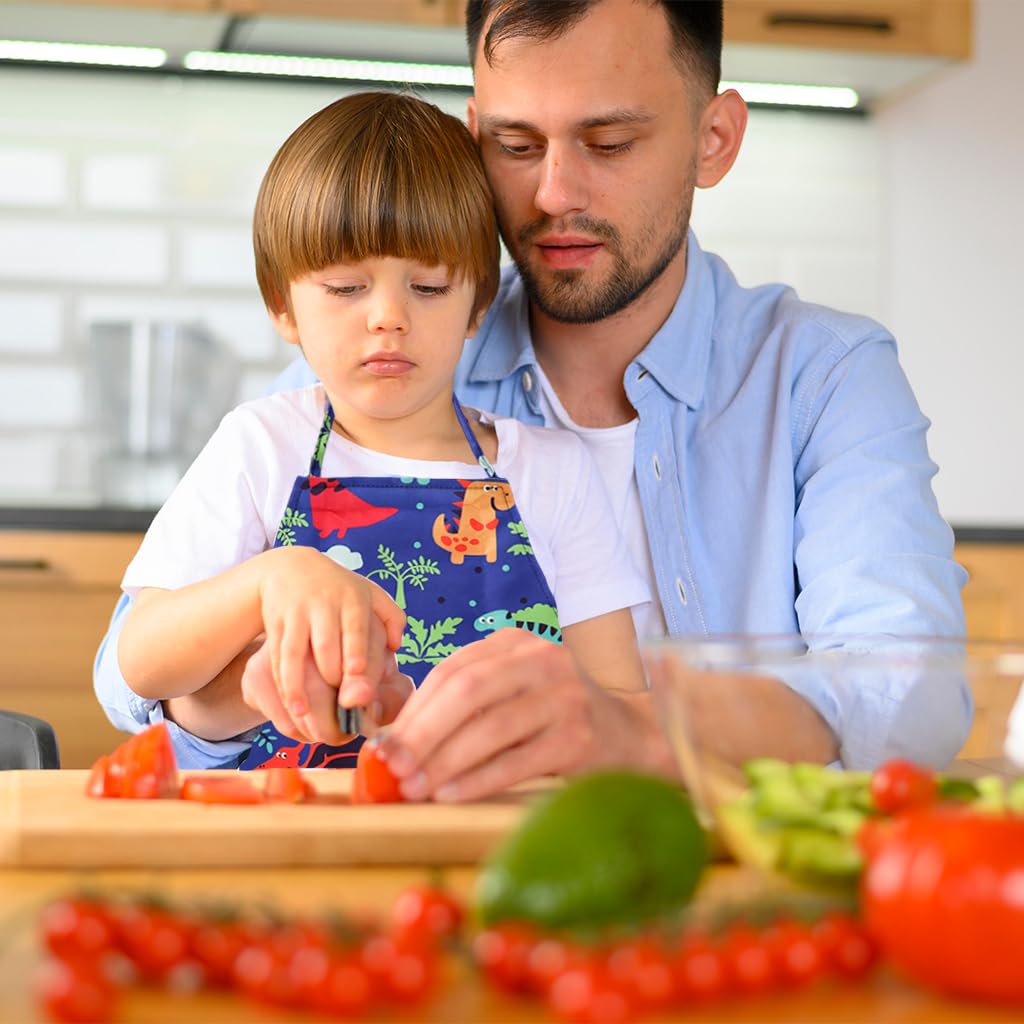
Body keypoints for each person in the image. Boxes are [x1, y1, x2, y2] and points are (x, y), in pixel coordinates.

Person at [96, 0, 968, 795]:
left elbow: (905, 693)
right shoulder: (367, 381)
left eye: (610, 142)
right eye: (516, 146)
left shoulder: (825, 377)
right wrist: (249, 683)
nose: (554, 195)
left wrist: (628, 721)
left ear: (714, 139)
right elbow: (129, 671)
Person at [109, 90, 649, 770]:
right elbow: (141, 661)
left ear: (478, 305)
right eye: (345, 288)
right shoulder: (261, 445)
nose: (389, 317)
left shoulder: (552, 471)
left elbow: (622, 701)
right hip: (288, 836)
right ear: (284, 307)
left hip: (489, 838)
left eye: (428, 288)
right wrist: (271, 579)